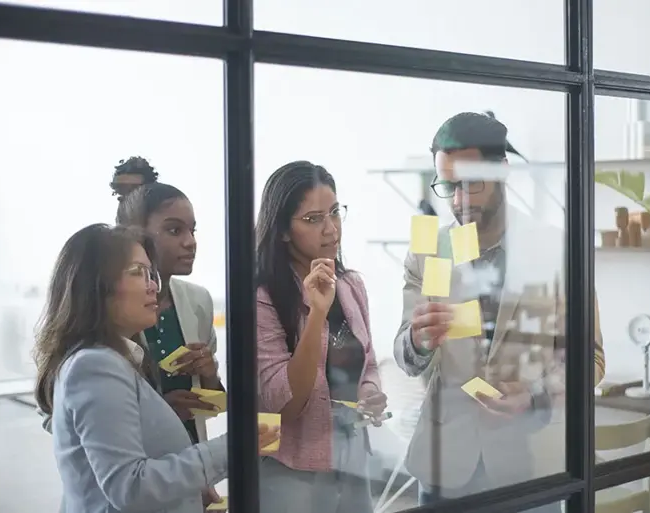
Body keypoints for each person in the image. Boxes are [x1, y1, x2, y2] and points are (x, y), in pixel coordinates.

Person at [394, 112, 606, 507]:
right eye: (448, 185)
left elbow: (589, 358)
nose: (458, 201)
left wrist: (535, 396)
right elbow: (405, 354)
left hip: (530, 466)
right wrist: (417, 342)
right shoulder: (427, 250)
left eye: (472, 184)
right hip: (445, 466)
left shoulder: (557, 250)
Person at [33, 223, 279, 513]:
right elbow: (130, 489)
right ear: (97, 286)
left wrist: (191, 491)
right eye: (138, 272)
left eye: (151, 274)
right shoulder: (94, 366)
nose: (153, 285)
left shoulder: (116, 361)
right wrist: (234, 447)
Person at [255, 161, 388, 513]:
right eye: (313, 219)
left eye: (334, 213)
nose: (331, 230)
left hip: (352, 458)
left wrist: (369, 392)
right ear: (283, 230)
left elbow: (368, 363)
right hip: (292, 471)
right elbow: (285, 403)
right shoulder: (262, 297)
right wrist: (316, 313)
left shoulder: (351, 285)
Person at [117, 182, 227, 509]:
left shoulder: (198, 302)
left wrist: (209, 373)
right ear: (135, 235)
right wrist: (159, 413)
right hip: (131, 484)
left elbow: (215, 402)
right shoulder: (109, 315)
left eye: (192, 230)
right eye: (174, 230)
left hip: (191, 473)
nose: (190, 242)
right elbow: (67, 417)